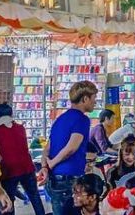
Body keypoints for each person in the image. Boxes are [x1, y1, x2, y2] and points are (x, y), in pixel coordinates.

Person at [44, 80, 98, 215]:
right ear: (85, 99)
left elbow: (48, 147)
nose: (94, 102)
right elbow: (71, 148)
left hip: (55, 178)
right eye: (93, 98)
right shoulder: (82, 119)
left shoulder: (60, 119)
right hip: (69, 178)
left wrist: (46, 166)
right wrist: (52, 163)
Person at [0, 103, 45, 215]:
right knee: (35, 197)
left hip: (9, 170)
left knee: (9, 200)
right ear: (11, 114)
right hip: (27, 167)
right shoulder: (21, 128)